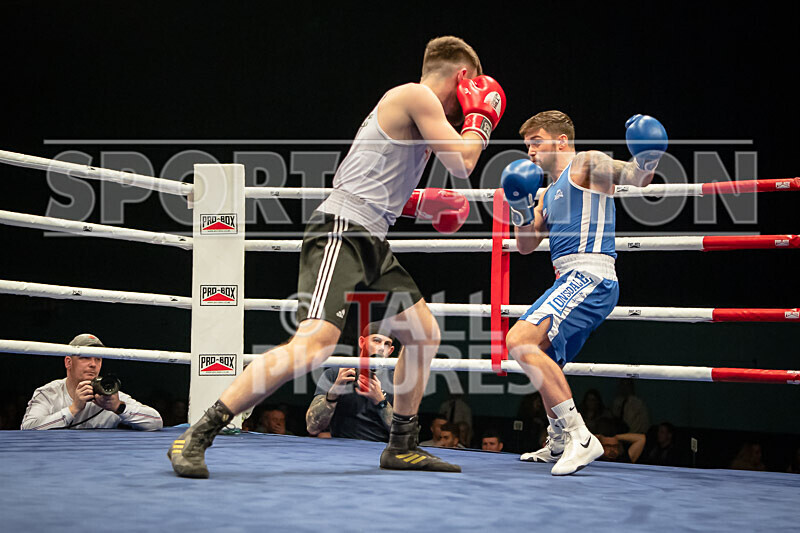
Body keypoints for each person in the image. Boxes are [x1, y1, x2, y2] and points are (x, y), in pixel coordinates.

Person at [169, 36, 506, 478]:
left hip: (372, 237)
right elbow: (464, 162)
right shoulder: (417, 95)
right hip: (343, 230)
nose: (462, 110)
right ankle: (199, 433)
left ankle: (402, 444)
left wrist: (418, 201)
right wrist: (480, 121)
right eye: (468, 95)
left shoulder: (413, 110)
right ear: (465, 79)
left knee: (423, 335)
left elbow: (370, 170)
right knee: (313, 344)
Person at [505, 110, 667, 475]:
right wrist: (519, 207)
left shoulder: (586, 164)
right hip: (568, 278)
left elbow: (634, 178)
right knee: (544, 355)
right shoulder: (546, 193)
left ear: (561, 140)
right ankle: (559, 439)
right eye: (526, 145)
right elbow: (526, 245)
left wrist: (648, 157)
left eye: (536, 142)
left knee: (520, 340)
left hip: (590, 274)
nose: (530, 152)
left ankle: (580, 436)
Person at [21, 334, 163, 430]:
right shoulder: (48, 393)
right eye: (86, 357)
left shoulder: (110, 396)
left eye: (98, 359)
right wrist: (73, 409)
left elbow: (156, 422)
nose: (93, 364)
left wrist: (118, 407)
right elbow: (27, 428)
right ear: (68, 362)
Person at [305, 325, 396, 441]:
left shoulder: (396, 381)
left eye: (387, 344)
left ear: (391, 350)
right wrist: (334, 393)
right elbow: (312, 427)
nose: (382, 348)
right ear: (362, 342)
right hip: (340, 448)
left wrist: (381, 402)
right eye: (376, 341)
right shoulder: (335, 374)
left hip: (379, 450)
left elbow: (406, 435)